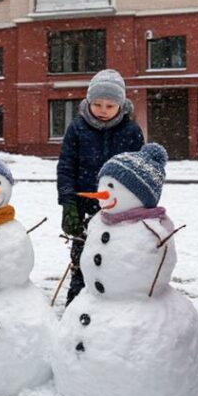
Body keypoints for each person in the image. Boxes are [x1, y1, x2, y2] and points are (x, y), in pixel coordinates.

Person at [56, 69, 145, 305]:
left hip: (119, 212)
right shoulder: (77, 129)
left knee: (115, 260)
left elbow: (139, 173)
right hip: (84, 208)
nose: (103, 110)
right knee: (83, 261)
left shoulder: (131, 132)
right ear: (88, 102)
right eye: (97, 104)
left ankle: (113, 306)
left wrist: (139, 206)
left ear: (121, 105)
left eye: (110, 105)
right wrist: (68, 203)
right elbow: (66, 167)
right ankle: (76, 305)